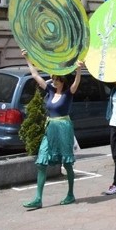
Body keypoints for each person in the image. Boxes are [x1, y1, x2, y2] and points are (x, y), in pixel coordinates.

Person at [21, 51, 83, 209]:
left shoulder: (68, 94)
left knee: (67, 163)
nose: (54, 81)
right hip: (50, 128)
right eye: (54, 78)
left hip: (63, 128)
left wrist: (78, 69)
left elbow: (76, 83)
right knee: (42, 162)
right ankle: (38, 198)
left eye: (57, 79)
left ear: (63, 81)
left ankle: (70, 194)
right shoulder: (49, 90)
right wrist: (28, 58)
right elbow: (35, 75)